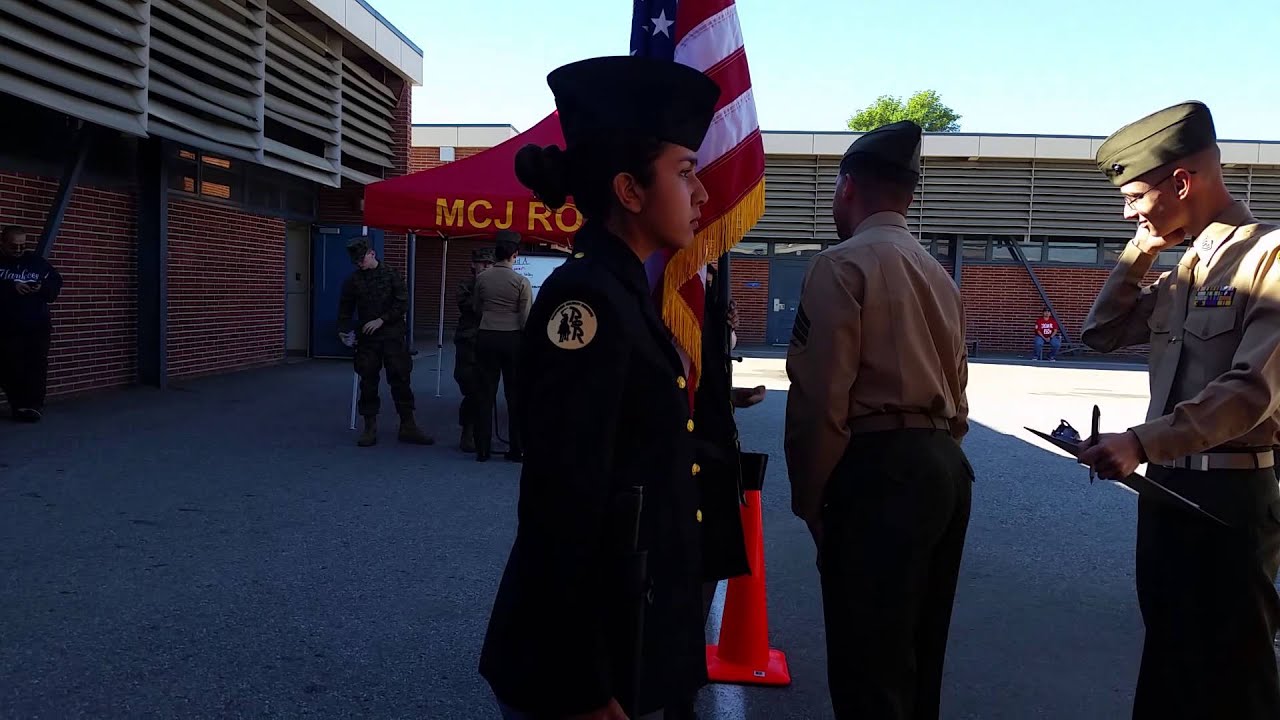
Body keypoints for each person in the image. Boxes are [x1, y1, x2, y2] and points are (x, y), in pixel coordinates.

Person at [478, 54, 719, 720]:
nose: (702, 195)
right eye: (685, 173)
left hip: (628, 637)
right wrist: (583, 683)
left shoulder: (624, 291)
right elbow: (561, 502)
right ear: (630, 190)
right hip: (582, 667)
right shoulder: (585, 302)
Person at [1077, 101, 1280, 719]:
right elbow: (1101, 332)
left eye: (1136, 195)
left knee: (1235, 678)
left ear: (1182, 183)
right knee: (1167, 667)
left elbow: (1252, 389)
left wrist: (1141, 442)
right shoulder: (1184, 270)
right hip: (1167, 492)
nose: (1130, 210)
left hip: (1230, 501)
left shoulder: (1269, 258)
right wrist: (1140, 252)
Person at [783, 120, 973, 720]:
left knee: (870, 664)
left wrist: (810, 501)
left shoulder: (841, 265)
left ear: (846, 189)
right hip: (944, 463)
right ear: (910, 195)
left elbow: (821, 399)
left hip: (879, 471)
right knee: (921, 652)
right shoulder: (939, 274)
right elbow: (960, 392)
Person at [336, 237, 433, 447]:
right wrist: (344, 331)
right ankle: (369, 427)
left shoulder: (391, 275)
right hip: (368, 340)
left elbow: (402, 303)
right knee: (368, 382)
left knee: (400, 380)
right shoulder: (353, 281)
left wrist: (382, 320)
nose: (360, 264)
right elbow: (344, 309)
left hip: (392, 336)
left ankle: (408, 425)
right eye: (356, 262)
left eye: (362, 259)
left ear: (372, 253)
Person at [472, 230, 532, 462]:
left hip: (486, 335)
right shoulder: (521, 282)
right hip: (512, 339)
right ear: (514, 254)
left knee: (484, 393)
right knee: (515, 395)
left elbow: (477, 307)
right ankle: (516, 449)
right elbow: (525, 317)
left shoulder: (482, 279)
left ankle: (482, 449)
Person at [0, 226, 63, 422]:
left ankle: (34, 406)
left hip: (37, 325)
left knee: (36, 365)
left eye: (22, 245)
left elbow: (56, 282)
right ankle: (19, 405)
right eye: (13, 246)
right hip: (7, 326)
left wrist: (41, 288)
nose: (18, 250)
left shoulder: (36, 262)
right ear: (3, 242)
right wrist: (11, 287)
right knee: (10, 366)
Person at [454, 247, 494, 452]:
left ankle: (476, 432)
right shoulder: (466, 285)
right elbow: (471, 306)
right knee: (469, 385)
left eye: (489, 264)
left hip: (489, 340)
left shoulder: (497, 286)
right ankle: (468, 430)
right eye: (482, 263)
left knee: (485, 387)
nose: (486, 267)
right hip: (468, 341)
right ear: (473, 265)